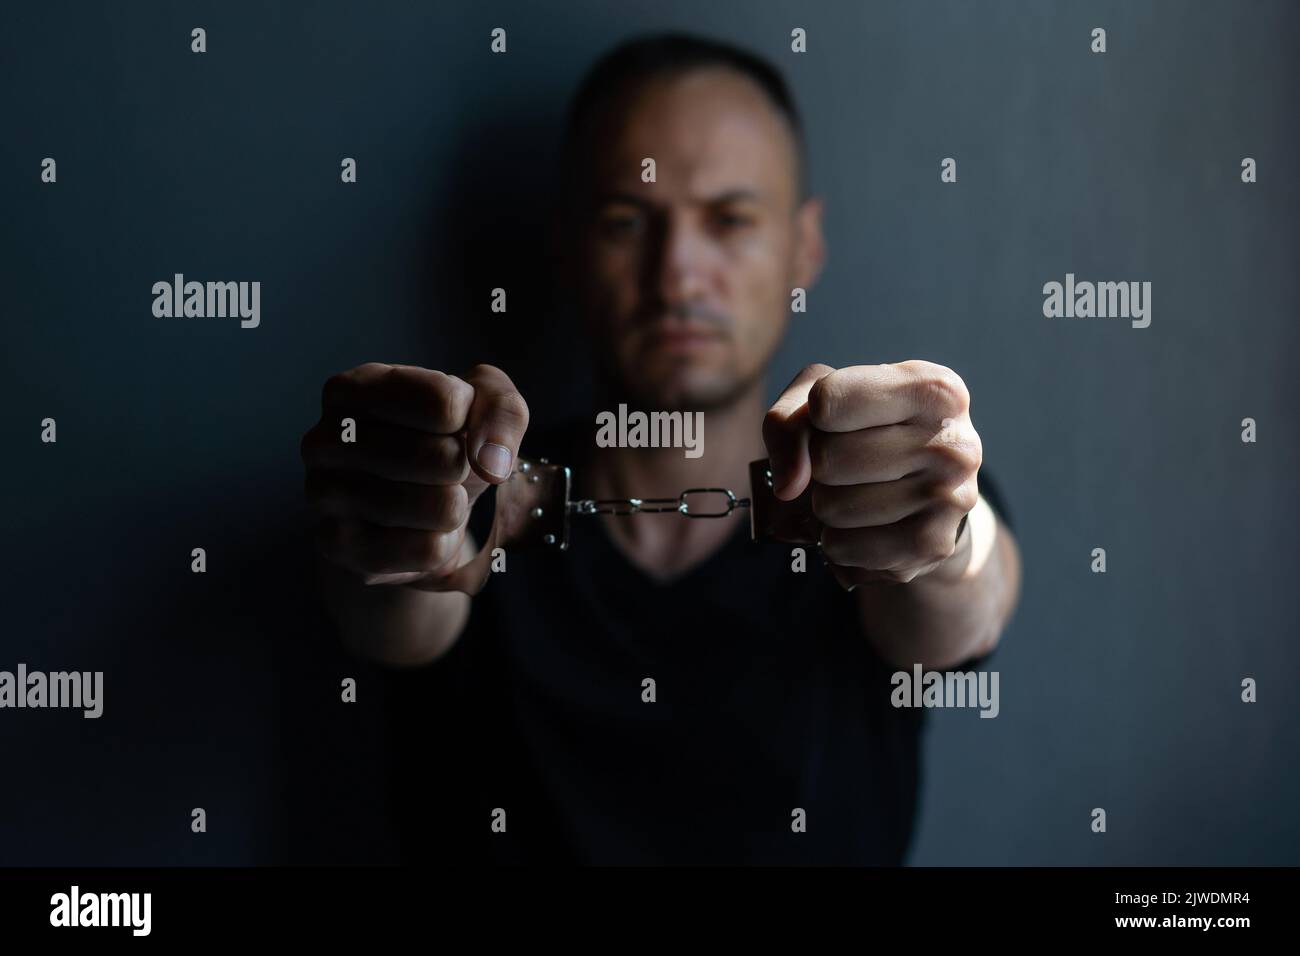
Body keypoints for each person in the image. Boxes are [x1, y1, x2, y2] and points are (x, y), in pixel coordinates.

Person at [299, 32, 1022, 865]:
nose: (677, 273)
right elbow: (397, 609)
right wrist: (402, 520)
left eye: (730, 219)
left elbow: (961, 602)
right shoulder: (477, 490)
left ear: (804, 246)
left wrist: (948, 538)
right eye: (626, 220)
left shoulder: (890, 492)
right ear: (565, 248)